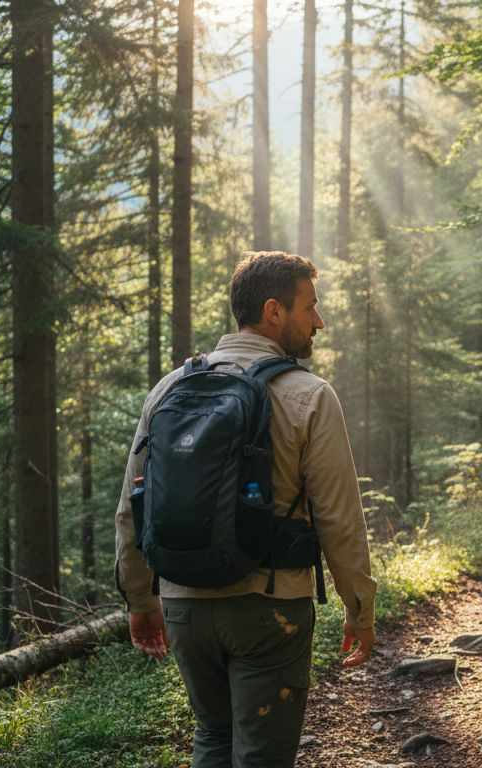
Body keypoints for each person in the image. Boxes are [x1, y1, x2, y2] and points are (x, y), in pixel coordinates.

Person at [113, 251, 376, 767]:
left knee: (213, 737)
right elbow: (340, 519)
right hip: (269, 609)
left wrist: (140, 600)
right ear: (274, 311)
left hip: (184, 605)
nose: (319, 322)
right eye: (310, 307)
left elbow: (132, 505)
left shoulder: (170, 388)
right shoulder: (309, 395)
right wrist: (360, 609)